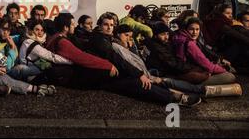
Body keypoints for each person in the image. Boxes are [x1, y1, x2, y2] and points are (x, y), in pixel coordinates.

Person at [48, 13, 200, 105]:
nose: (109, 27)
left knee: (144, 81)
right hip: (100, 77)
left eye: (112, 25)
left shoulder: (107, 38)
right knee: (138, 84)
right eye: (106, 25)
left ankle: (178, 95)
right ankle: (176, 98)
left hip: (105, 74)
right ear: (99, 26)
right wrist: (136, 73)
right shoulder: (99, 39)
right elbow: (107, 57)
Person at [0, 17, 55, 96]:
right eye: (4, 29)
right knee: (6, 80)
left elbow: (14, 37)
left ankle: (46, 75)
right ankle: (37, 89)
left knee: (21, 68)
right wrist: (12, 48)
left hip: (7, 69)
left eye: (9, 30)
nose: (6, 33)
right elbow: (7, 65)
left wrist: (26, 35)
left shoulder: (0, 36)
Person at [172, 17, 237, 85]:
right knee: (230, 77)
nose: (195, 32)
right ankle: (196, 87)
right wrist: (224, 70)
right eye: (191, 29)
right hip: (190, 75)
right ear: (186, 29)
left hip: (185, 71)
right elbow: (207, 65)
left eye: (197, 29)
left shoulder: (179, 37)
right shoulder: (189, 43)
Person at [18, 19, 72, 85]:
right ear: (31, 30)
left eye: (42, 30)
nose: (40, 32)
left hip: (36, 70)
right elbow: (50, 56)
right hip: (30, 75)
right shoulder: (29, 42)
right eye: (37, 29)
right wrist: (70, 61)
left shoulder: (38, 41)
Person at [203, 4, 249, 69]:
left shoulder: (225, 22)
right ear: (220, 13)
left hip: (220, 51)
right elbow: (237, 35)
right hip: (216, 54)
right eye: (227, 13)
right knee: (239, 42)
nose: (230, 16)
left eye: (231, 13)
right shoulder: (218, 22)